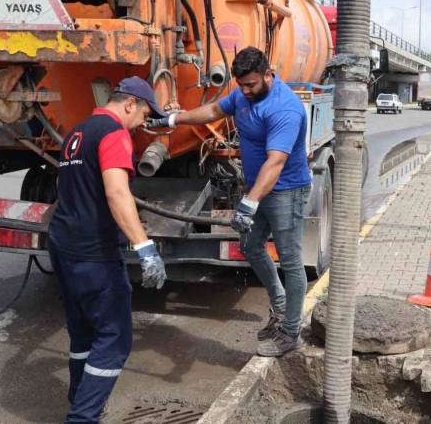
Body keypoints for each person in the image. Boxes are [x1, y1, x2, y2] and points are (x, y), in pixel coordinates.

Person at [148, 47, 311, 357]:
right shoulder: (243, 94)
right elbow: (212, 112)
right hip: (256, 188)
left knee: (290, 260)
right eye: (241, 85)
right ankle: (279, 307)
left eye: (251, 85)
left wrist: (249, 204)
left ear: (267, 75)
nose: (245, 91)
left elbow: (276, 162)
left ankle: (291, 332)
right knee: (250, 247)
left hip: (286, 191)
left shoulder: (284, 109)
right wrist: (171, 118)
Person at [48, 76, 168, 423]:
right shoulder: (115, 133)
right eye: (144, 113)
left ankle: (80, 403)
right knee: (114, 338)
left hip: (65, 244)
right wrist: (144, 247)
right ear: (129, 104)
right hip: (93, 252)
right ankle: (83, 418)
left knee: (83, 333)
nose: (144, 122)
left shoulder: (77, 131)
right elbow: (117, 193)